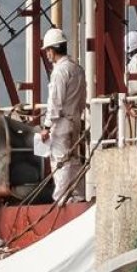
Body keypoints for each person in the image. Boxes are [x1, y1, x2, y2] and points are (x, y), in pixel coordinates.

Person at [38, 28, 87, 203]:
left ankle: (60, 201)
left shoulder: (59, 71)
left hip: (61, 124)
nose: (47, 54)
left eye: (47, 50)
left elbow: (55, 102)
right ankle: (79, 196)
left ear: (52, 49)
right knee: (74, 161)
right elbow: (82, 99)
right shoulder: (77, 69)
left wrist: (46, 127)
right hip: (75, 121)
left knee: (60, 163)